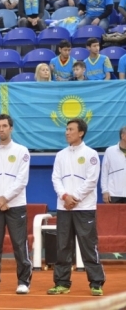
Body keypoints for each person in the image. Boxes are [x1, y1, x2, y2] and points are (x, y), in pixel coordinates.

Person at [48, 118, 105, 296]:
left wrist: (76, 198)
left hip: (84, 208)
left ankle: (96, 283)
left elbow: (92, 180)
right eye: (66, 129)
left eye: (71, 129)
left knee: (88, 246)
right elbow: (55, 178)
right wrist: (65, 196)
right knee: (63, 246)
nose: (67, 132)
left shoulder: (91, 154)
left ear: (80, 133)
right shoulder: (60, 155)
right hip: (64, 207)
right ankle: (62, 283)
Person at [0, 114, 32, 295]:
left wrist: (5, 198)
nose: (1, 129)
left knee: (19, 244)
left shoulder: (22, 151)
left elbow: (22, 180)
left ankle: (23, 281)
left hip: (15, 206)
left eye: (4, 126)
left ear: (11, 128)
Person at [100, 126, 126, 204]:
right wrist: (105, 191)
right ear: (123, 136)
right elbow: (104, 172)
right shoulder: (110, 151)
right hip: (113, 194)